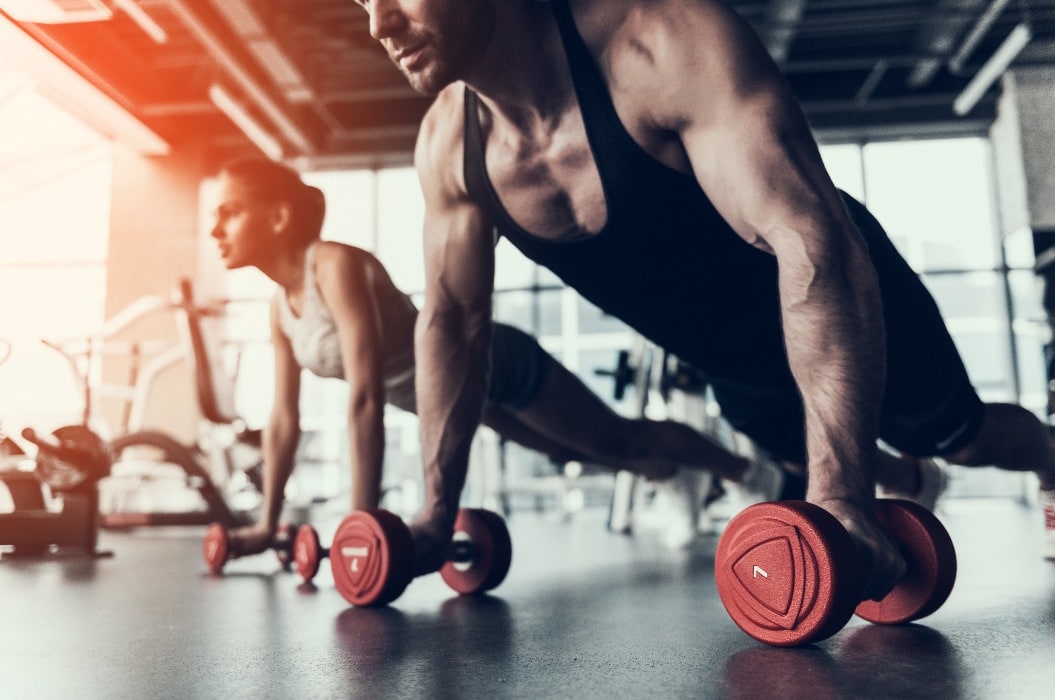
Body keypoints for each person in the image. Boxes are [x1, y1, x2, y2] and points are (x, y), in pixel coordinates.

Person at [355, 0, 1055, 595]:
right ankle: (905, 484)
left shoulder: (657, 44)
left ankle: (1047, 458)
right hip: (732, 367)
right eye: (360, 0)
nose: (378, 24)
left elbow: (809, 241)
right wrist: (434, 516)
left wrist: (840, 499)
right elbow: (453, 322)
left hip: (841, 300)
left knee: (960, 438)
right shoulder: (449, 147)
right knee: (804, 459)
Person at [208, 156, 760, 556]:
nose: (215, 229)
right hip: (452, 397)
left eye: (229, 213)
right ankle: (673, 477)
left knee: (617, 438)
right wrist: (264, 524)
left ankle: (749, 473)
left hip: (494, 361)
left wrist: (361, 520)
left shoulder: (333, 265)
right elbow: (283, 422)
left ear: (278, 217)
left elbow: (366, 395)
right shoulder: (280, 308)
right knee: (569, 451)